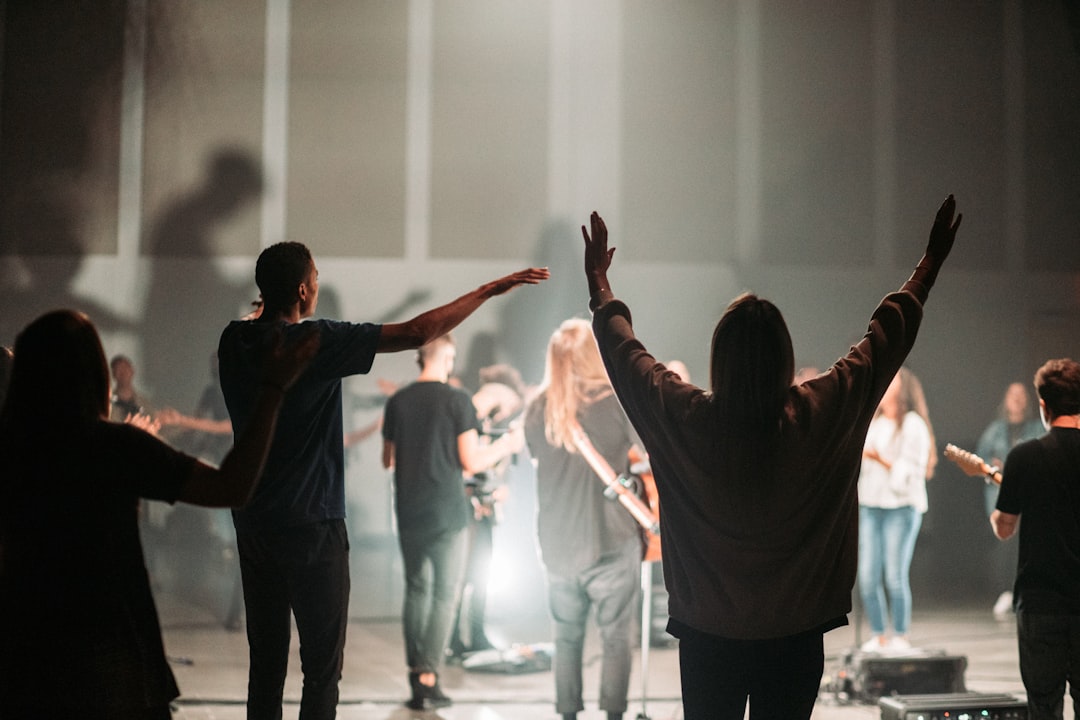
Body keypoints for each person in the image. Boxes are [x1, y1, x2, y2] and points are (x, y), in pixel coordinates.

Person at [581, 196, 962, 720]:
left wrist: (600, 285)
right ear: (785, 356)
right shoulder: (820, 412)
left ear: (719, 358)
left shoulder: (687, 417)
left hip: (706, 631)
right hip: (795, 631)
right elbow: (883, 342)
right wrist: (929, 264)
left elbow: (627, 358)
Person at [217, 240, 547, 719]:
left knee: (264, 666)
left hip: (254, 523)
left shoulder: (234, 341)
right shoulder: (316, 342)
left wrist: (267, 308)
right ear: (306, 289)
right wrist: (488, 290)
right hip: (312, 525)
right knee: (321, 671)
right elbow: (418, 331)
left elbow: (259, 323)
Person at [0, 309, 317, 719]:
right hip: (114, 662)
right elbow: (232, 487)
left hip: (26, 660)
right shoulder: (115, 447)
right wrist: (274, 388)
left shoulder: (13, 451)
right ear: (93, 372)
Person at [381, 335, 523, 709]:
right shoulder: (457, 400)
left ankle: (416, 674)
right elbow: (472, 461)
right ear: (447, 356)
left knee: (415, 590)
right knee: (446, 594)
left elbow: (388, 460)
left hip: (409, 510)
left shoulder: (399, 400)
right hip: (447, 512)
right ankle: (429, 675)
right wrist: (506, 446)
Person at [523, 318, 644, 720]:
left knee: (566, 638)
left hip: (557, 544)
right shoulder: (617, 400)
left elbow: (535, 458)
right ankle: (613, 716)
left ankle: (568, 715)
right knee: (616, 640)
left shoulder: (538, 408)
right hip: (612, 539)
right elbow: (648, 453)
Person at [991, 359, 1080, 720]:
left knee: (1043, 707)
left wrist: (999, 508)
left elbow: (1004, 527)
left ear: (1043, 406)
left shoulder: (1024, 457)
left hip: (1041, 604)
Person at [447, 362, 528, 660]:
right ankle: (452, 639)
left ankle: (477, 634)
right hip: (464, 507)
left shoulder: (494, 426)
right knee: (462, 577)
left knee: (480, 575)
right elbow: (471, 462)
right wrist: (506, 444)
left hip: (486, 510)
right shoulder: (470, 415)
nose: (507, 414)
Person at [857, 367, 936, 653]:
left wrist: (879, 458)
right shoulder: (875, 423)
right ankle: (878, 634)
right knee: (867, 576)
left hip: (900, 508)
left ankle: (899, 634)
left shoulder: (913, 425)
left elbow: (910, 473)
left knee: (894, 574)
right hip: (871, 505)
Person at [977, 381, 1044, 619]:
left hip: (1030, 499)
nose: (1016, 400)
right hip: (1000, 497)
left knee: (1026, 548)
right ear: (1005, 400)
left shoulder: (1037, 429)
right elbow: (980, 460)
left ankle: (1026, 593)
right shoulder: (995, 431)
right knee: (1002, 547)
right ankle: (1005, 592)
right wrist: (992, 468)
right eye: (1012, 395)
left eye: (1021, 395)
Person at [109, 353, 150, 421]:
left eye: (125, 368)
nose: (123, 373)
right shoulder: (108, 403)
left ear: (132, 370)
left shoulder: (144, 403)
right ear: (113, 374)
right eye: (118, 369)